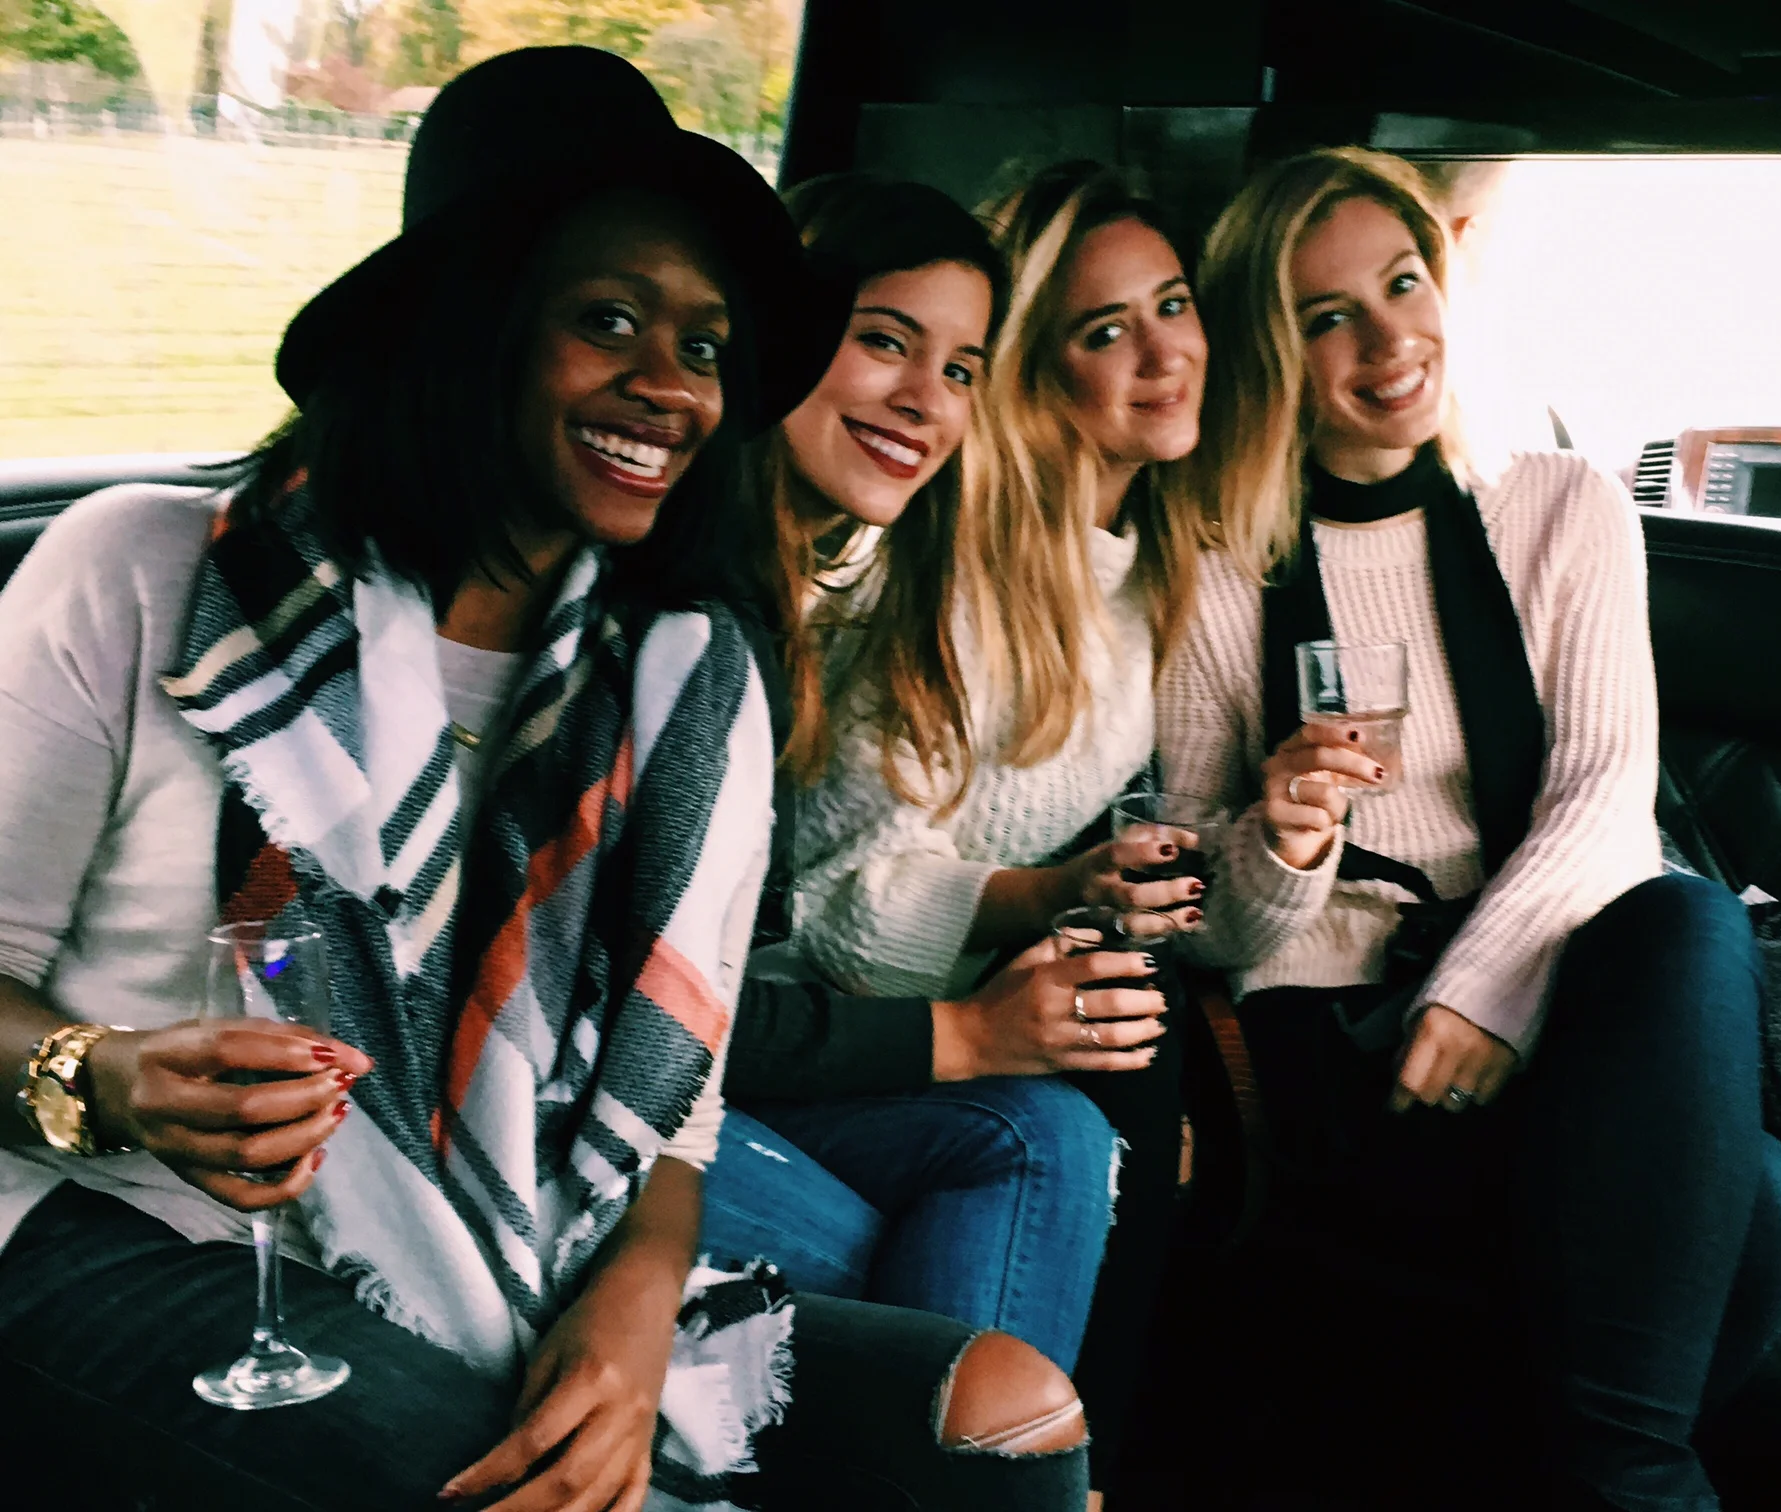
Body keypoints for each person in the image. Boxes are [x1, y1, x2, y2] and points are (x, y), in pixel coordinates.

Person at [0, 48, 1088, 1512]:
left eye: (707, 347)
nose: (670, 385)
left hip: (514, 1248)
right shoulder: (143, 573)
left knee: (1007, 1417)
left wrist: (635, 1315)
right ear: (470, 319)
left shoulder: (688, 688)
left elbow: (678, 1116)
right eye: (608, 320)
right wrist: (110, 1079)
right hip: (104, 1229)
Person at [1157, 145, 1781, 1509]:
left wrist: (1486, 995)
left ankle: (1610, 1481)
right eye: (1327, 315)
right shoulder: (1212, 553)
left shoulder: (1563, 504)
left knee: (1685, 919)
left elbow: (1606, 792)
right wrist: (1282, 842)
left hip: (1539, 1004)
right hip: (1334, 1038)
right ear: (1271, 352)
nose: (1388, 340)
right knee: (1766, 1215)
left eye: (1404, 284)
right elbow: (1208, 923)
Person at [787, 160, 1216, 1498]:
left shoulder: (1159, 572)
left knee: (1135, 1080)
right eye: (1104, 331)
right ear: (1034, 374)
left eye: (1175, 306)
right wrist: (1043, 897)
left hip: (959, 1020)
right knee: (1072, 1127)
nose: (1162, 353)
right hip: (813, 1021)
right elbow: (833, 913)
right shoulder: (949, 577)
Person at [698, 172, 1129, 1381]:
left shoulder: (806, 593)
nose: (925, 400)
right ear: (781, 333)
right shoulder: (696, 609)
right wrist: (968, 1031)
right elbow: (664, 1018)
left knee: (1051, 1139)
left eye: (960, 370)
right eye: (885, 341)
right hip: (595, 1104)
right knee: (981, 1240)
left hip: (714, 1072)